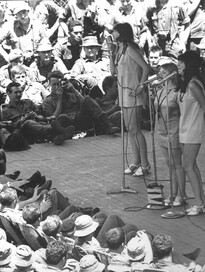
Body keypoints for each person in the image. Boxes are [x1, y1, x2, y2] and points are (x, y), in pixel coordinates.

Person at [109, 22, 150, 177]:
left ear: (121, 33)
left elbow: (146, 67)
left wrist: (141, 85)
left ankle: (145, 164)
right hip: (124, 94)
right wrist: (110, 53)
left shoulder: (132, 49)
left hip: (134, 93)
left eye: (114, 31)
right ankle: (136, 161)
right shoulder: (120, 49)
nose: (112, 33)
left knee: (135, 129)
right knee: (129, 130)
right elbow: (113, 72)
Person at [42, 70, 120, 135]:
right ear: (49, 85)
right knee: (62, 117)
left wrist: (73, 89)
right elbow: (53, 120)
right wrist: (59, 100)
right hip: (66, 123)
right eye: (54, 85)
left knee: (87, 98)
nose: (57, 87)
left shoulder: (71, 95)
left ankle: (107, 124)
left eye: (59, 84)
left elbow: (86, 103)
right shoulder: (47, 101)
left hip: (80, 118)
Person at [0, 82, 75, 149]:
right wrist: (22, 121)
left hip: (36, 128)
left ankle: (57, 136)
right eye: (16, 92)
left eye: (20, 92)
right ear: (8, 93)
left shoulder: (28, 102)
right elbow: (8, 129)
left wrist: (36, 117)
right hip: (21, 133)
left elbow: (42, 116)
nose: (19, 95)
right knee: (28, 122)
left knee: (35, 122)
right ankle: (59, 131)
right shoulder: (5, 111)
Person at [154, 57, 186, 206]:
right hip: (161, 131)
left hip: (174, 131)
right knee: (169, 165)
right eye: (160, 69)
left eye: (165, 68)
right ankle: (173, 193)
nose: (161, 71)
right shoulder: (160, 90)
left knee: (177, 164)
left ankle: (182, 194)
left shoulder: (178, 92)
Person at [177, 50, 205, 215]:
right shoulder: (186, 83)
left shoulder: (194, 84)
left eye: (181, 62)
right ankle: (200, 200)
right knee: (191, 166)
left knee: (188, 166)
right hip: (184, 128)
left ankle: (199, 204)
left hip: (193, 130)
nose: (179, 65)